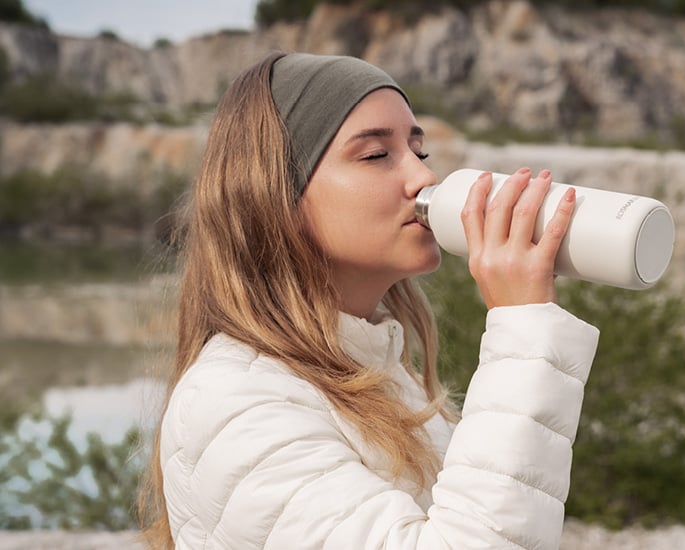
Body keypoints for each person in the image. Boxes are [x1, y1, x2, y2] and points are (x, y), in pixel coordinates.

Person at [139, 51, 599, 550]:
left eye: (419, 152)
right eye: (377, 155)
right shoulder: (236, 402)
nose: (424, 180)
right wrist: (522, 327)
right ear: (274, 197)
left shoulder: (379, 374)